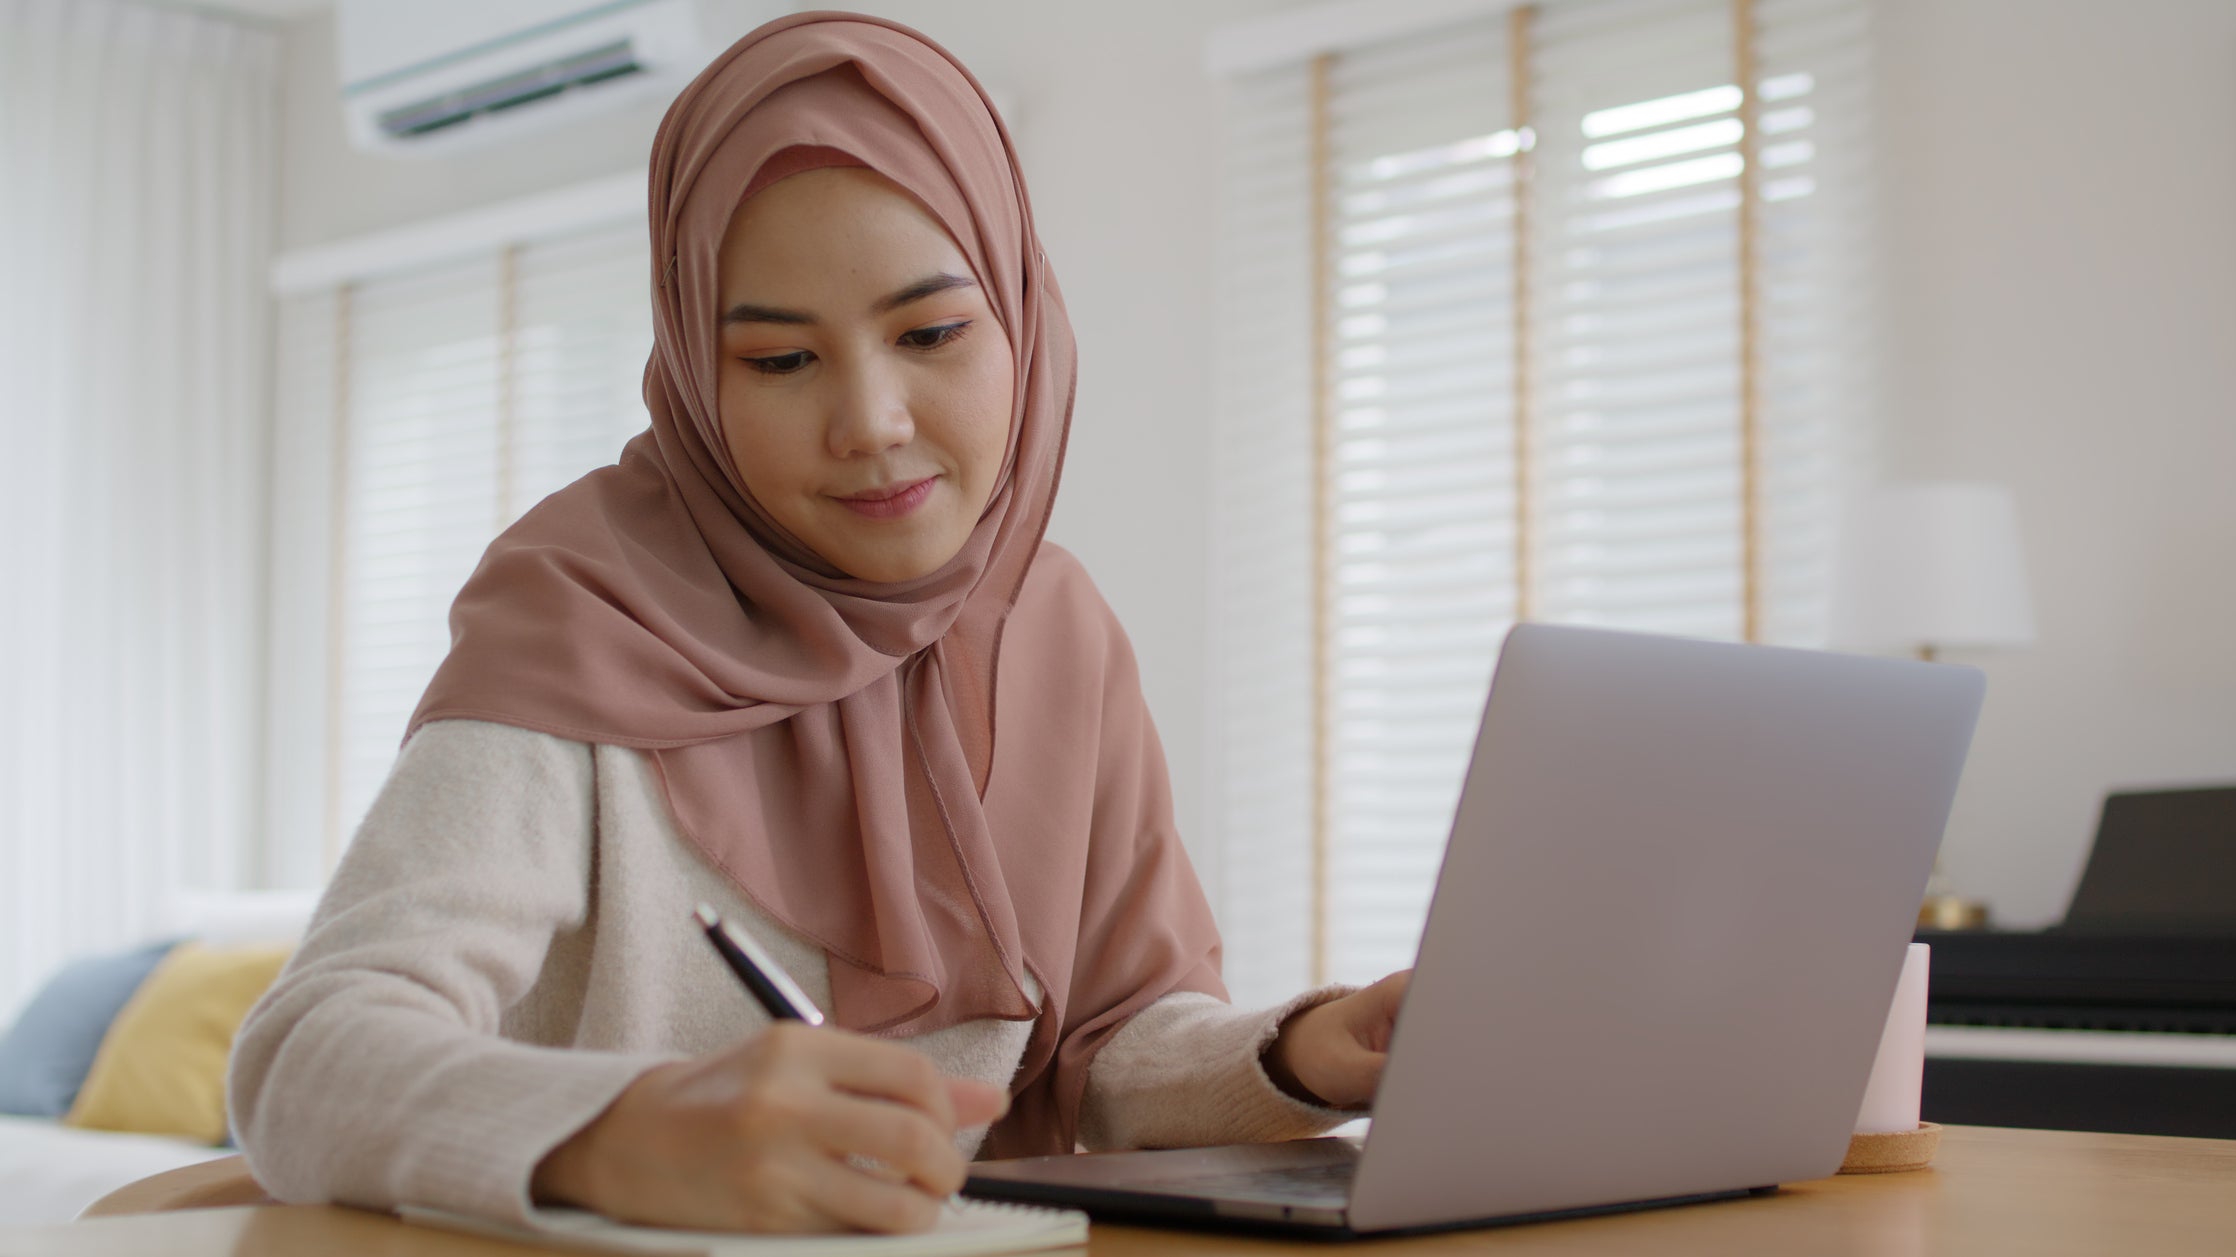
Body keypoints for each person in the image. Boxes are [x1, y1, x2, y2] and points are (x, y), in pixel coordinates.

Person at [227, 11, 1408, 1238]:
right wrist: (614, 1134)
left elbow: (1105, 1052)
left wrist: (1306, 1054)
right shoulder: (582, 609)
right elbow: (305, 1060)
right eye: (782, 361)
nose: (871, 422)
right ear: (695, 365)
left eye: (932, 334)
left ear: (1017, 315)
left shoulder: (1053, 624)